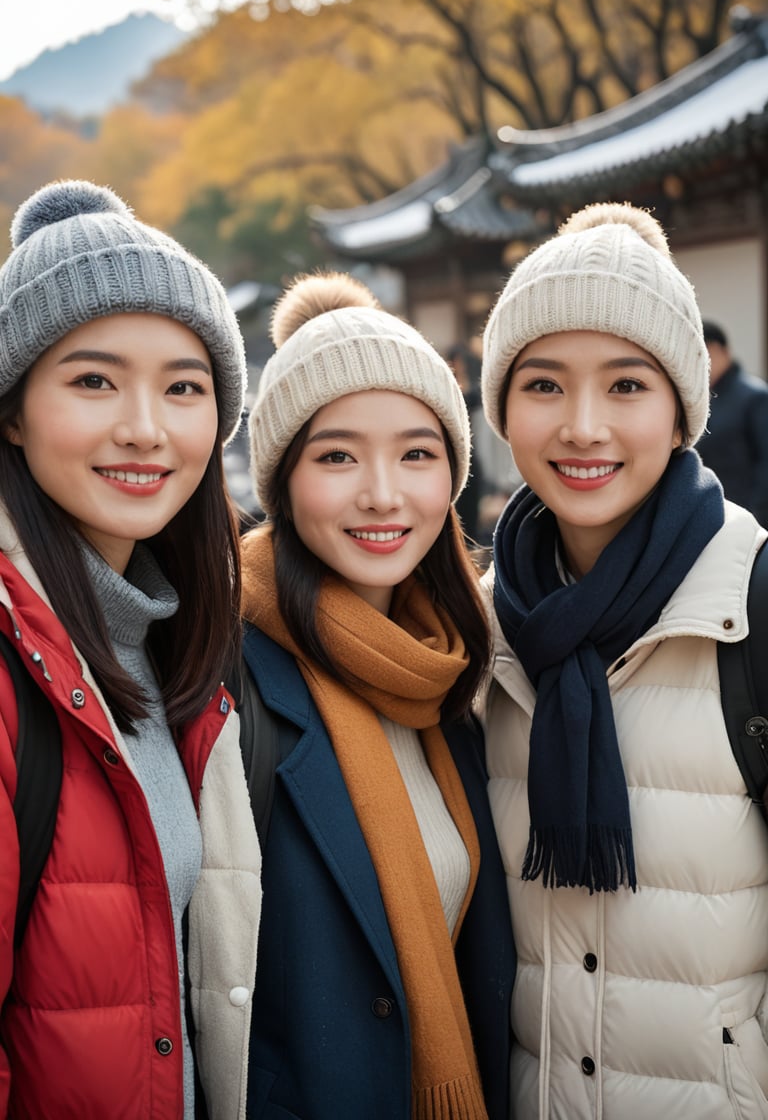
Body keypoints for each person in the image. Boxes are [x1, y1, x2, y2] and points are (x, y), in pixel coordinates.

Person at [478, 202, 768, 1119]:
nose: (584, 427)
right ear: (502, 408)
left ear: (683, 407)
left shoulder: (750, 604)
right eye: (545, 385)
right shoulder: (482, 626)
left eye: (628, 387)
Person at [0, 180, 262, 1119]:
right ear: (12, 410)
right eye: (94, 380)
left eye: (184, 387)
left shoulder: (172, 638)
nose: (146, 428)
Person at [238, 272, 515, 1120]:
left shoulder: (459, 672)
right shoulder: (225, 677)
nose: (383, 493)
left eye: (416, 453)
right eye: (337, 456)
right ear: (282, 481)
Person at [696, 318, 768, 526]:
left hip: (747, 517)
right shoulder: (703, 399)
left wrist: (757, 516)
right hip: (714, 513)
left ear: (720, 350)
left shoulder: (755, 396)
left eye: (703, 353)